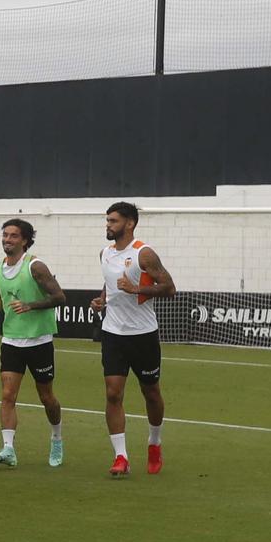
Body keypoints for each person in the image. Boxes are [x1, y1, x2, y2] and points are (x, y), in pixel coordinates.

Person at [92, 201, 177, 478]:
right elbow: (109, 280)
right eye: (107, 220)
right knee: (113, 393)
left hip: (143, 335)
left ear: (130, 223)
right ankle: (121, 456)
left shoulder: (144, 254)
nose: (108, 225)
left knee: (150, 392)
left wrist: (136, 288)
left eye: (113, 221)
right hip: (113, 334)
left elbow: (169, 288)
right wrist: (102, 300)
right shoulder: (104, 253)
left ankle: (154, 443)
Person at [0, 218, 66, 469]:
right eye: (5, 235)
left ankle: (56, 438)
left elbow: (60, 297)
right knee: (8, 395)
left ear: (25, 241)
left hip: (39, 341)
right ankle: (8, 449)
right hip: (11, 340)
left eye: (13, 236)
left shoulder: (35, 267)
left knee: (46, 397)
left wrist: (31, 305)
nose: (7, 240)